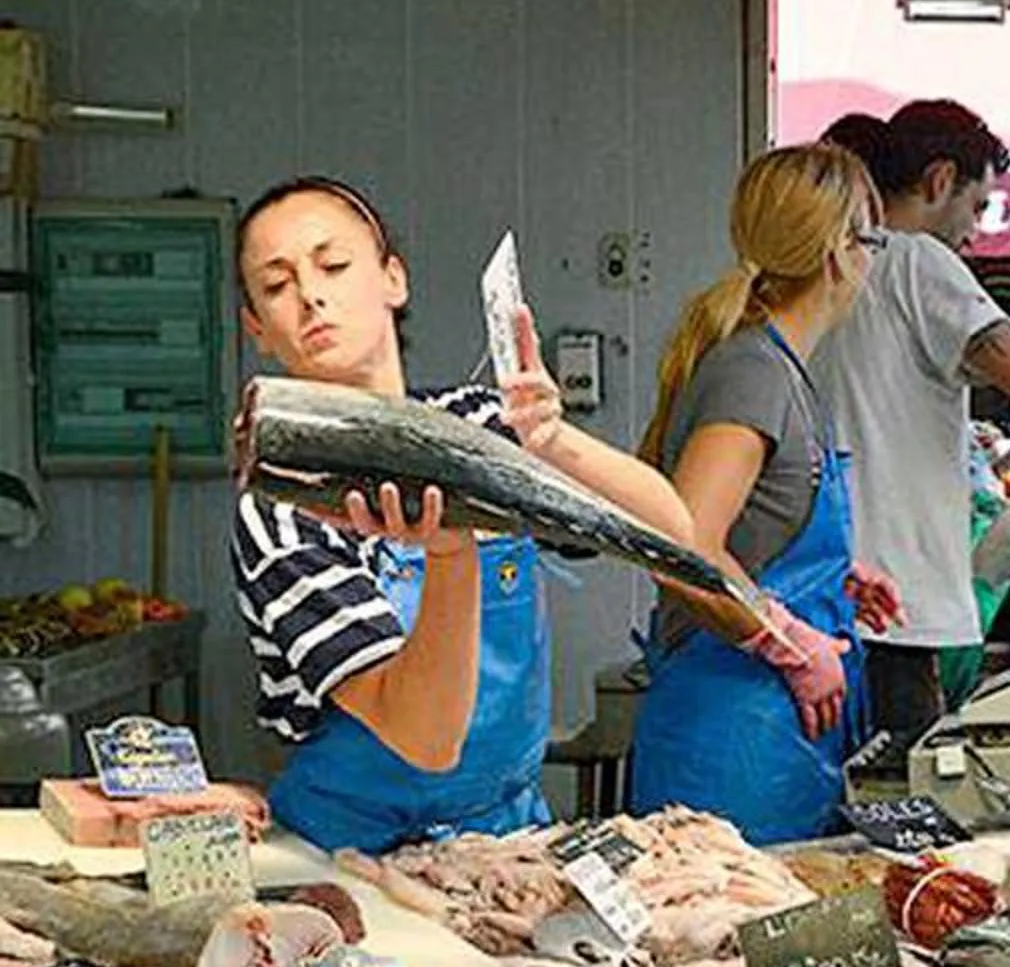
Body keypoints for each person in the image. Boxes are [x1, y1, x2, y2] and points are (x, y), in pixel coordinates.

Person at [231, 176, 702, 854]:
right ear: (256, 329)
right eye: (277, 286)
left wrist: (549, 441)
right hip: (355, 853)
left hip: (510, 833)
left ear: (394, 279)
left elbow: (669, 533)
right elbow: (424, 737)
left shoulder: (478, 424)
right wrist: (452, 554)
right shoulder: (281, 506)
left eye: (333, 265)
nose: (311, 295)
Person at [628, 146, 897, 846]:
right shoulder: (754, 373)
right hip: (732, 741)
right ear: (841, 252)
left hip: (773, 733)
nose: (872, 262)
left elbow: (746, 529)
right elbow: (678, 550)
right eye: (872, 240)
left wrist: (836, 584)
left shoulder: (782, 368)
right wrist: (788, 641)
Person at [813, 100, 1010, 758]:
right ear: (938, 181)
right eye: (977, 207)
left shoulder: (820, 267)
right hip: (893, 611)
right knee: (888, 837)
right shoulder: (913, 260)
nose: (976, 232)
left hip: (815, 599)